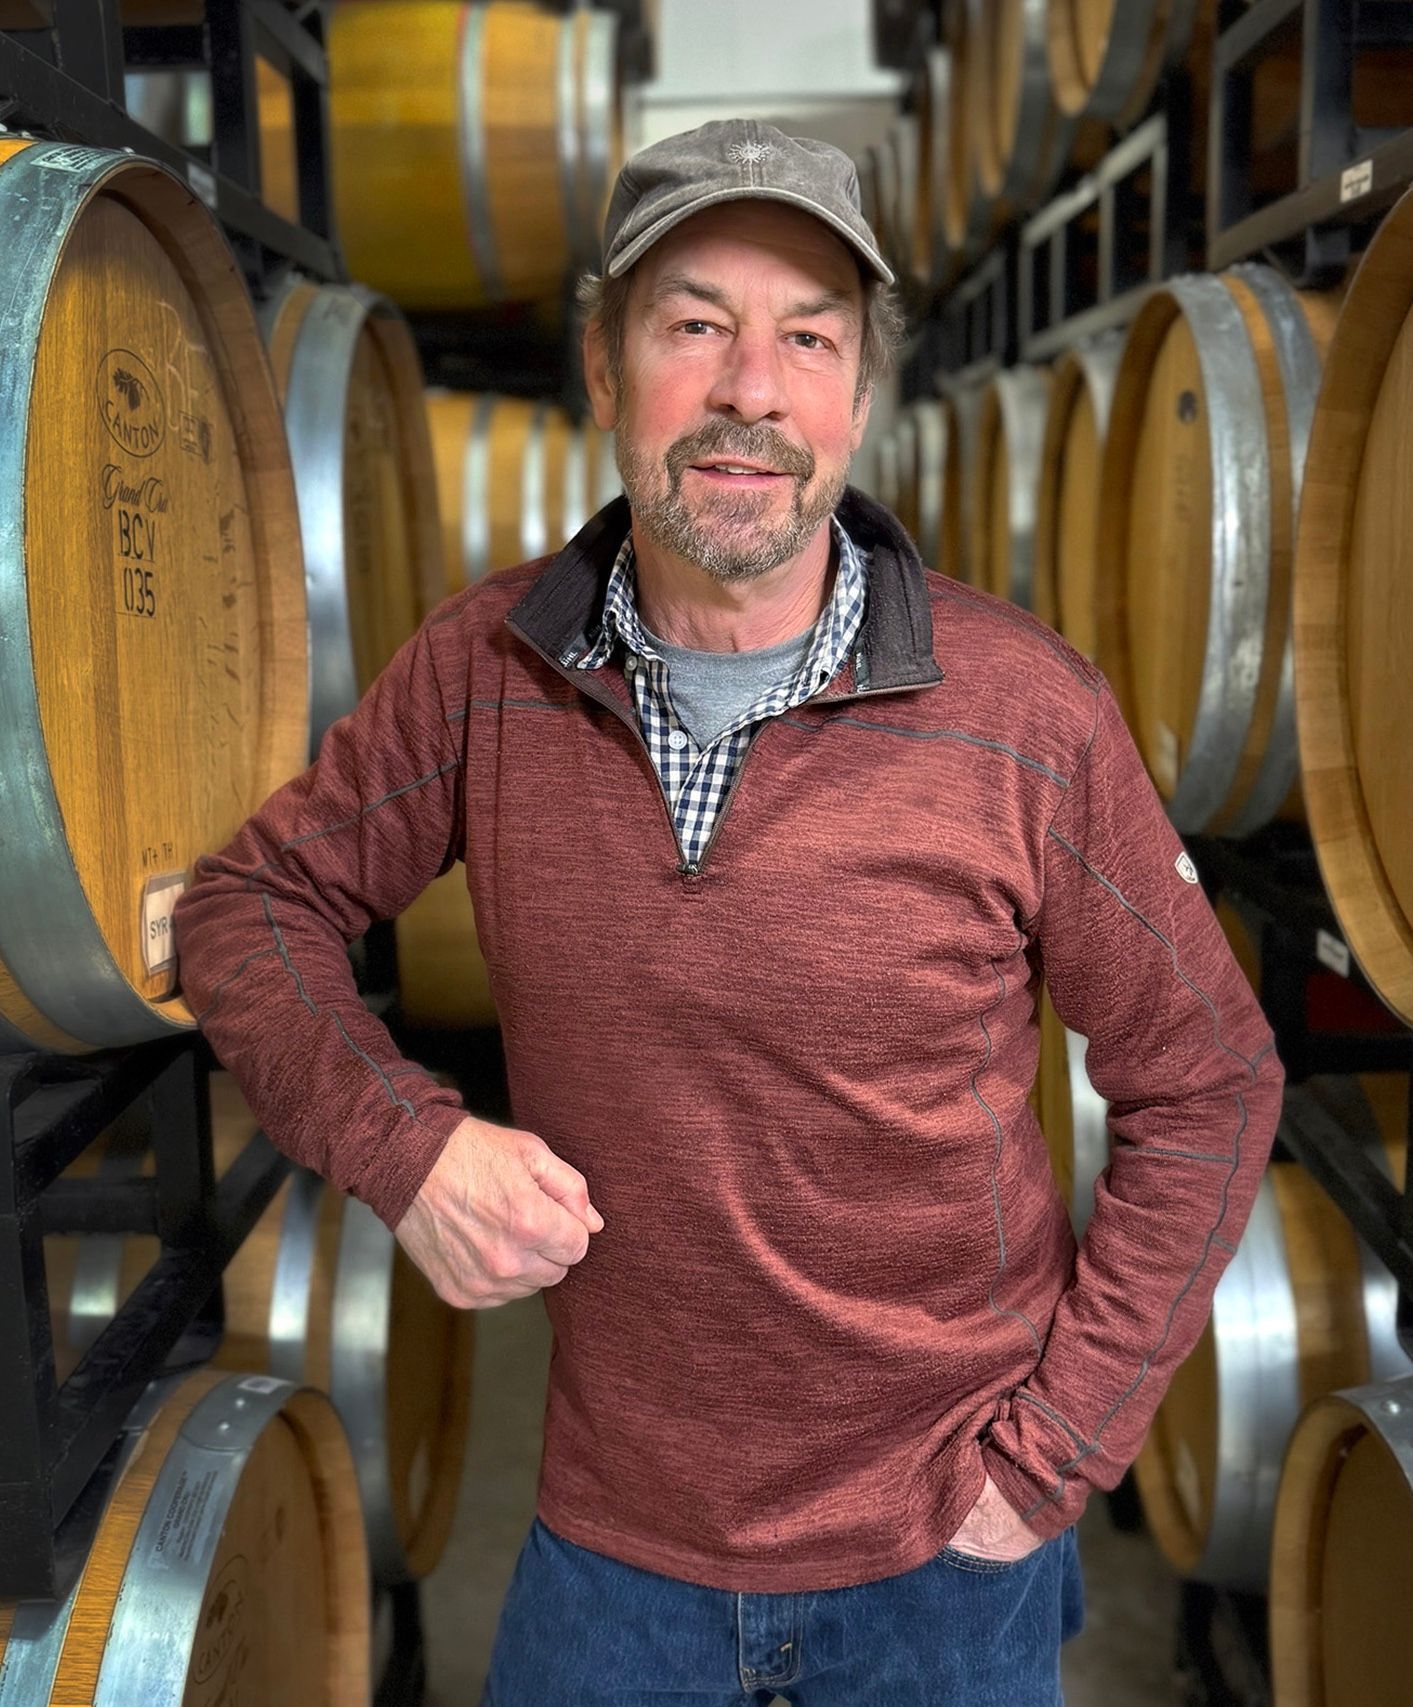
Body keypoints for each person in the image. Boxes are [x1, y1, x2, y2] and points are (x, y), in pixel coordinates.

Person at [173, 119, 1285, 1706]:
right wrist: (401, 1141)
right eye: (694, 323)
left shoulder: (1023, 712)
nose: (751, 387)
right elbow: (244, 907)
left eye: (808, 337)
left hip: (943, 1561)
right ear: (605, 367)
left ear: (859, 391)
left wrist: (1055, 1455)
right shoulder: (485, 669)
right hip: (613, 1550)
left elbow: (1213, 1076)